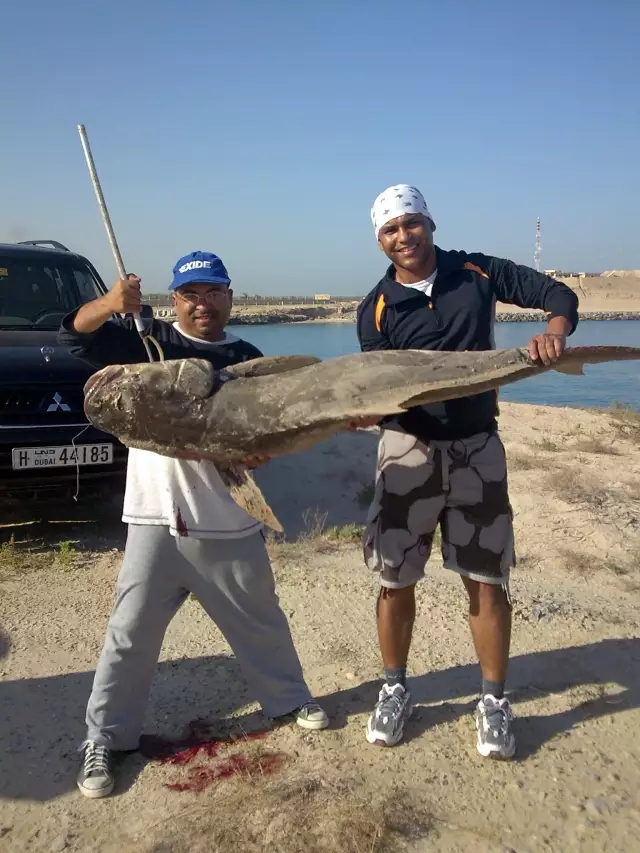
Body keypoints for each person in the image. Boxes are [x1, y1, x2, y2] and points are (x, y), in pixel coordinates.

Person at [58, 250, 328, 799]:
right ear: (173, 299)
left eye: (212, 292)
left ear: (229, 297)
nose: (201, 303)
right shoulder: (145, 343)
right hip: (154, 517)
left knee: (261, 620)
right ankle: (105, 738)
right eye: (190, 294)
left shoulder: (245, 356)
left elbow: (269, 428)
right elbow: (74, 337)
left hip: (229, 517)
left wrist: (262, 451)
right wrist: (111, 303)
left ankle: (287, 699)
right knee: (128, 635)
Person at [357, 186, 579, 758]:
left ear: (429, 224)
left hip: (478, 447)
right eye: (390, 230)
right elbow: (379, 388)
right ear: (379, 241)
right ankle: (393, 688)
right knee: (395, 577)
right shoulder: (375, 308)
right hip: (407, 449)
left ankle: (494, 700)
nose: (403, 237)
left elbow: (555, 292)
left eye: (412, 224)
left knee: (485, 577)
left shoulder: (477, 271)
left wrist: (555, 330)